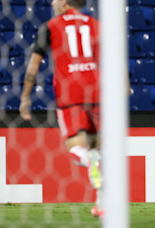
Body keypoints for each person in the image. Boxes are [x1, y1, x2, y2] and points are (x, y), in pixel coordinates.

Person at [19, 0, 103, 217]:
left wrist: (25, 97)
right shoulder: (96, 24)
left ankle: (90, 163)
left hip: (70, 94)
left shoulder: (51, 25)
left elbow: (35, 63)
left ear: (64, 2)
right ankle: (102, 205)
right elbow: (113, 59)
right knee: (96, 149)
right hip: (96, 92)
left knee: (77, 150)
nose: (52, 3)